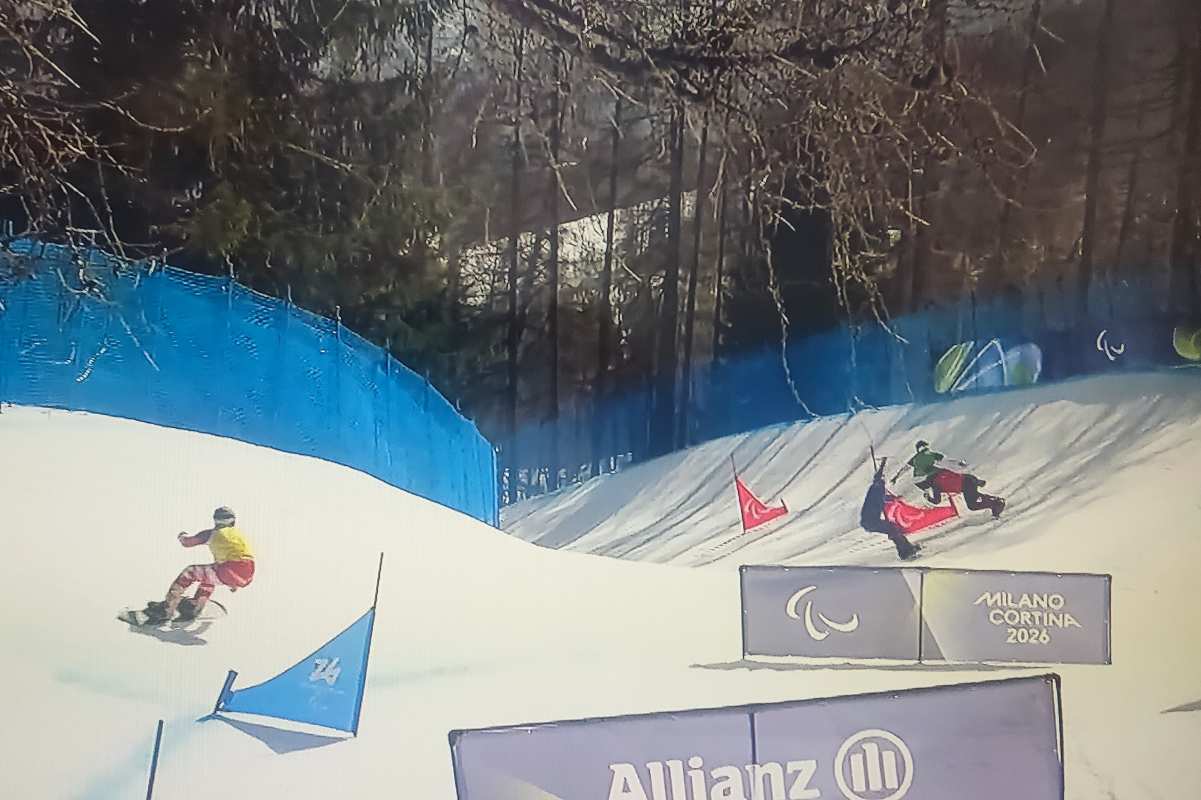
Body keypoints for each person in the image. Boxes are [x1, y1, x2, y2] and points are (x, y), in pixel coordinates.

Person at [143, 506, 256, 624]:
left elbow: (187, 543)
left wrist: (182, 535)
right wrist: (234, 583)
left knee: (190, 571)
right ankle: (195, 605)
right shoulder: (239, 534)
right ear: (233, 521)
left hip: (229, 569)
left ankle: (166, 609)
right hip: (247, 573)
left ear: (216, 520)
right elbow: (241, 559)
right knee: (209, 577)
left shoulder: (213, 533)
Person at [895, 440, 1005, 518]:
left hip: (965, 484)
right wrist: (960, 463)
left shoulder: (934, 482)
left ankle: (996, 503)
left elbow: (936, 501)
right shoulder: (938, 469)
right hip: (967, 480)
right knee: (975, 497)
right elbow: (948, 462)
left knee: (972, 505)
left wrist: (928, 497)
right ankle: (996, 502)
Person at [861, 458, 921, 561]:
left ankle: (906, 550)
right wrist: (882, 465)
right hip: (871, 522)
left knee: (893, 529)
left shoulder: (875, 490)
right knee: (893, 529)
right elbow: (882, 497)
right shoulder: (876, 490)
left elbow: (882, 497)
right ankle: (906, 551)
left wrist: (882, 466)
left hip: (870, 522)